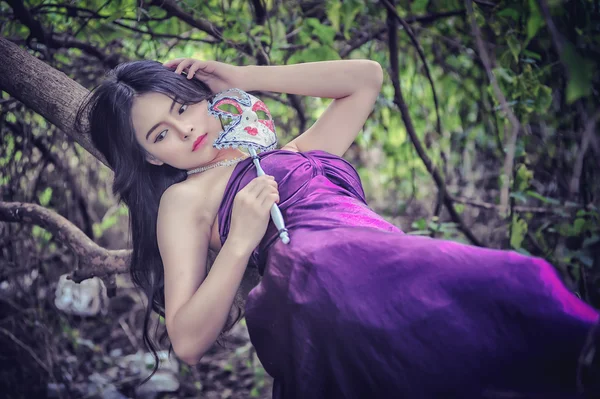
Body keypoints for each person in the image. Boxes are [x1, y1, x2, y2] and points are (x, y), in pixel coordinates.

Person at [79, 58, 600, 398]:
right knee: (514, 285)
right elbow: (188, 341)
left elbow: (365, 78)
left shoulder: (293, 153)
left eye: (184, 106)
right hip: (325, 279)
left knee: (516, 298)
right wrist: (239, 241)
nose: (188, 128)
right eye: (161, 133)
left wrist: (243, 76)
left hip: (381, 259)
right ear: (146, 157)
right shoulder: (182, 200)